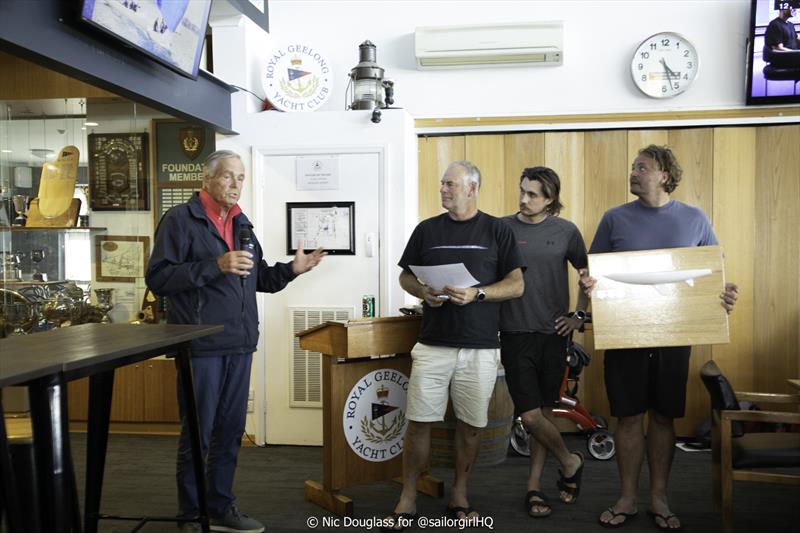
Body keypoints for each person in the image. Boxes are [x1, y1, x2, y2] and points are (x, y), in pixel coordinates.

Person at [146, 150, 325, 533]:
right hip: (200, 345)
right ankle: (190, 514)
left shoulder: (242, 223)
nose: (235, 184)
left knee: (229, 433)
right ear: (207, 179)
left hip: (240, 343)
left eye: (240, 177)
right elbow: (158, 279)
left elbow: (257, 277)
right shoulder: (180, 220)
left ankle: (221, 507)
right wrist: (215, 266)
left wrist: (293, 270)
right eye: (227, 177)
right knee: (199, 434)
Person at [582, 145, 739, 531]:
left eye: (643, 168)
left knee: (664, 417)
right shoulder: (614, 219)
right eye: (633, 167)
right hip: (624, 334)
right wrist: (588, 291)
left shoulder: (694, 218)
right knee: (629, 416)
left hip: (675, 333)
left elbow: (710, 274)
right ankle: (626, 498)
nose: (634, 173)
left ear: (665, 175)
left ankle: (659, 498)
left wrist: (723, 296)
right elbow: (593, 272)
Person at [381, 160, 525, 532]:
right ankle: (408, 496)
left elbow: (515, 285)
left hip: (479, 347)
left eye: (450, 184)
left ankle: (460, 494)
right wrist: (423, 291)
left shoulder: (498, 230)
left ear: (472, 188)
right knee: (418, 424)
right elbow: (405, 276)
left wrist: (478, 293)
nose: (443, 189)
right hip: (432, 345)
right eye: (442, 184)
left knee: (471, 426)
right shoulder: (427, 230)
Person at [499, 166, 589, 518]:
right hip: (514, 332)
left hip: (553, 335)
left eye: (532, 194)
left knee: (545, 413)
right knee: (530, 415)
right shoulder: (503, 229)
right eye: (522, 191)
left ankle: (534, 488)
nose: (523, 199)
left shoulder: (566, 232)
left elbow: (587, 277)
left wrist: (578, 315)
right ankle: (570, 461)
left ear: (550, 198)